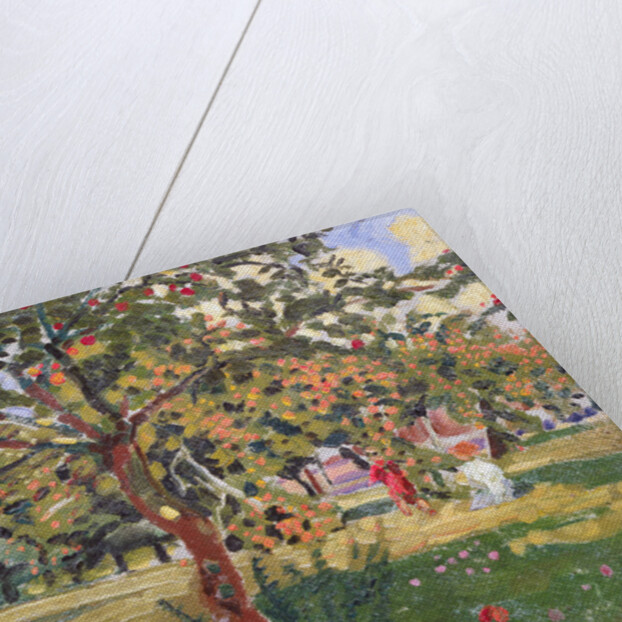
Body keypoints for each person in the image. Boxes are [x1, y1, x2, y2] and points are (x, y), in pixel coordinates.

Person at [370, 460, 436, 516]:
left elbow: (373, 479)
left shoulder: (378, 469)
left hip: (399, 487)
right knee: (412, 499)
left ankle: (421, 510)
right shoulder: (385, 467)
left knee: (408, 500)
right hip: (402, 486)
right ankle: (426, 509)